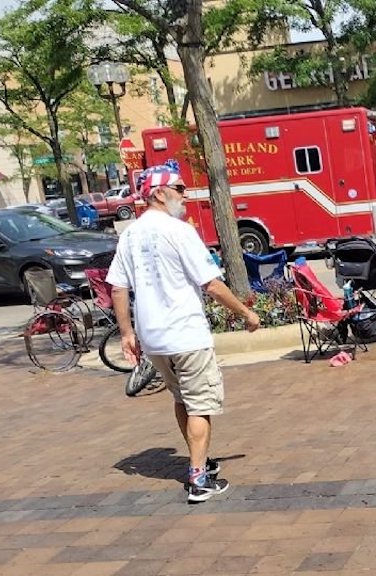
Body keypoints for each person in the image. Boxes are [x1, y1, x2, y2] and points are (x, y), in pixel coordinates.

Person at [107, 164, 261, 504]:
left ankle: (201, 461)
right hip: (186, 334)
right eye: (179, 188)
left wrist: (127, 333)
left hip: (154, 338)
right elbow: (212, 284)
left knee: (181, 399)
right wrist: (246, 312)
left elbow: (117, 286)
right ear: (159, 194)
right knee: (200, 404)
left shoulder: (130, 234)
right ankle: (198, 480)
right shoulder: (179, 231)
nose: (185, 193)